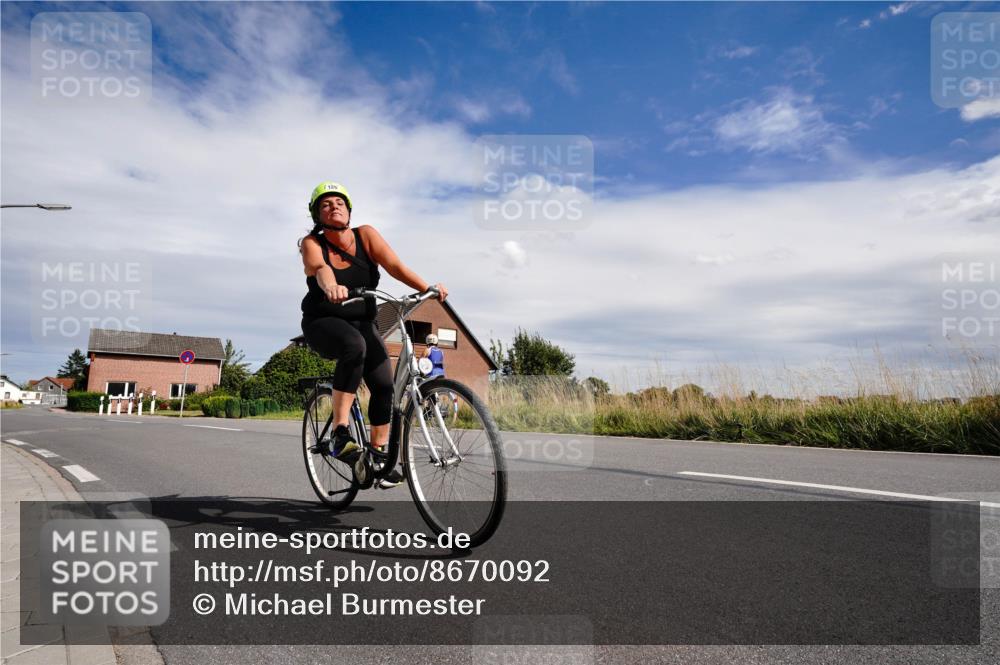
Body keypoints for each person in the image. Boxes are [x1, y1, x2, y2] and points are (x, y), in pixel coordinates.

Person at [299, 181, 447, 488]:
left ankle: (378, 455)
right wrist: (331, 287)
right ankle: (340, 433)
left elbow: (394, 265)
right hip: (323, 321)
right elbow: (320, 268)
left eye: (340, 202)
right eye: (325, 204)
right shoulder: (312, 243)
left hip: (364, 322)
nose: (334, 207)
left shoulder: (365, 235)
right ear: (317, 215)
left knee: (384, 385)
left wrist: (427, 288)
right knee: (354, 346)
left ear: (349, 210)